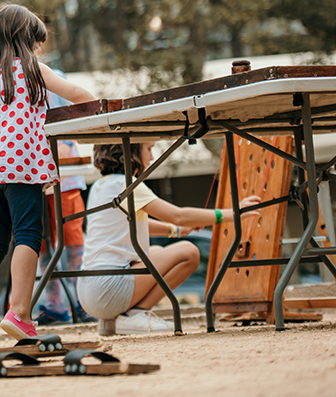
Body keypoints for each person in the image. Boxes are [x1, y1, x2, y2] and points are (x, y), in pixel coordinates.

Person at [0, 4, 96, 349]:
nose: (39, 50)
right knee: (29, 234)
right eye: (37, 43)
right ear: (25, 41)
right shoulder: (32, 70)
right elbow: (77, 95)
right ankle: (20, 313)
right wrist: (97, 110)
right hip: (23, 168)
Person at [79, 142, 260, 335]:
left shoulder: (100, 186)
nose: (151, 157)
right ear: (131, 153)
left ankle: (113, 321)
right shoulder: (128, 185)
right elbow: (178, 215)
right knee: (188, 252)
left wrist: (175, 231)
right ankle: (135, 315)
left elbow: (130, 226)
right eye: (148, 149)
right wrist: (233, 213)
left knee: (156, 252)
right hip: (109, 290)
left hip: (88, 291)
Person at [34, 72, 94, 326]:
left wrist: (66, 143)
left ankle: (83, 301)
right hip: (34, 173)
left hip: (64, 172)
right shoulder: (10, 76)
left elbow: (72, 110)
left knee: (72, 241)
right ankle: (56, 305)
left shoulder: (52, 75)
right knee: (42, 243)